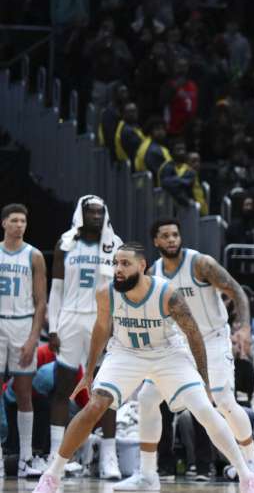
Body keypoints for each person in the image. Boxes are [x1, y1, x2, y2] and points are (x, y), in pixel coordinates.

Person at [31, 243, 254, 493]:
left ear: (142, 266)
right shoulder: (106, 292)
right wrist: (88, 373)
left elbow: (194, 335)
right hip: (125, 352)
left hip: (168, 353)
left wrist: (205, 380)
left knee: (204, 408)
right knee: (95, 405)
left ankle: (246, 475)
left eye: (125, 263)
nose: (118, 269)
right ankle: (52, 475)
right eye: (115, 263)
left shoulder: (167, 294)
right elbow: (100, 329)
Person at [117, 219, 254, 490]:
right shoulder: (154, 274)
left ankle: (252, 462)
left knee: (223, 402)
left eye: (175, 234)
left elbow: (237, 292)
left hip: (214, 340)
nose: (172, 239)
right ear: (156, 242)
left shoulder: (200, 264)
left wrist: (243, 326)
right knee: (147, 398)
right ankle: (148, 474)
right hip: (179, 346)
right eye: (165, 236)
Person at [48, 195, 123, 479]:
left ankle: (108, 457)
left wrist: (118, 323)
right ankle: (58, 454)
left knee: (106, 392)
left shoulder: (115, 244)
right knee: (63, 387)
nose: (95, 216)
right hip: (69, 317)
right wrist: (53, 327)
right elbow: (55, 289)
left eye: (100, 212)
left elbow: (123, 290)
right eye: (90, 212)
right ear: (80, 214)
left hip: (101, 319)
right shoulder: (65, 243)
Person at [0, 204, 48, 477]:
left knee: (23, 393)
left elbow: (41, 302)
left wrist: (33, 338)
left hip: (22, 324)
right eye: (14, 220)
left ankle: (26, 457)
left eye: (23, 221)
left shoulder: (35, 256)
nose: (19, 225)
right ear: (4, 223)